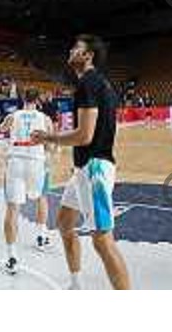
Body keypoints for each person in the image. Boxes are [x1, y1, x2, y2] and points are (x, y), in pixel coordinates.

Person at [32, 35, 130, 290]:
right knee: (65, 222)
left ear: (88, 56)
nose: (71, 50)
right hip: (84, 168)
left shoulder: (88, 83)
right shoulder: (100, 84)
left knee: (102, 241)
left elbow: (84, 136)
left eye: (77, 48)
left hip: (95, 168)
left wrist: (48, 137)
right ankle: (76, 285)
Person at [0, 88, 54, 275]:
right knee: (42, 198)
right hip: (36, 162)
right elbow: (51, 143)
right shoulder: (45, 119)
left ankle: (12, 257)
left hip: (16, 161)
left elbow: (2, 129)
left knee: (13, 208)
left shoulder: (13, 116)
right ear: (38, 100)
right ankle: (41, 236)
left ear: (23, 99)